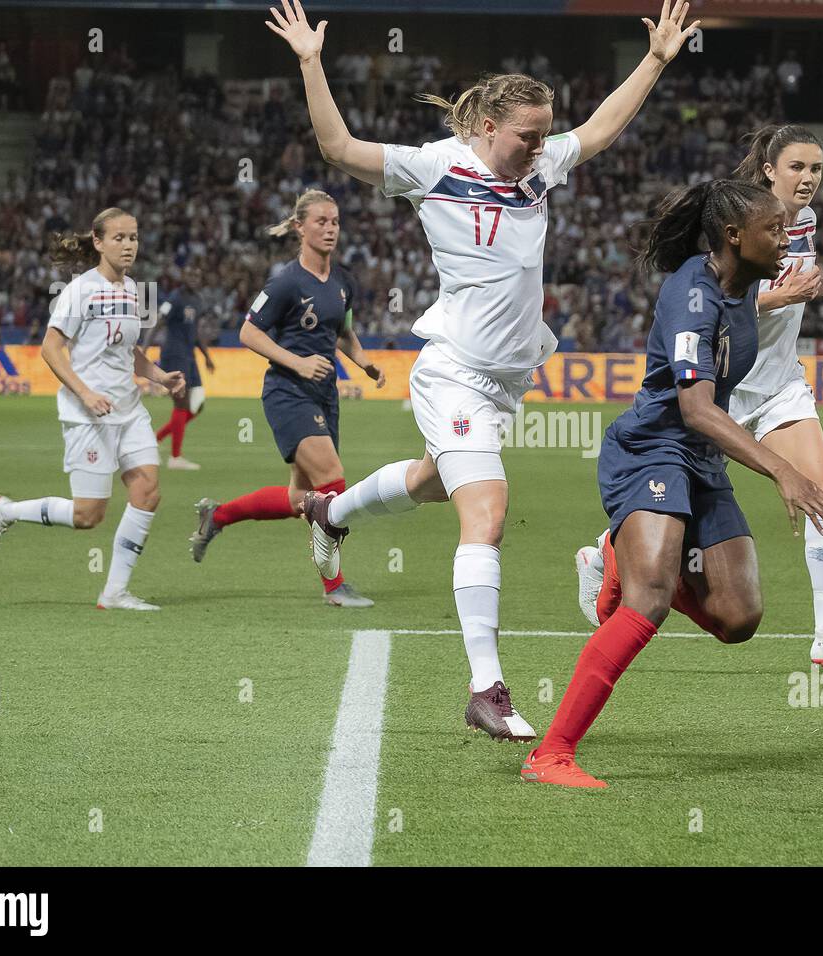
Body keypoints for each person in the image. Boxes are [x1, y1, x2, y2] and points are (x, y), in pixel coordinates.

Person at [287, 0, 701, 741]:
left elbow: (601, 130)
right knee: (487, 512)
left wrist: (657, 59)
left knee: (433, 481)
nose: (541, 147)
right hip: (453, 372)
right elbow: (339, 146)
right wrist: (312, 62)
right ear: (486, 129)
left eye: (546, 134)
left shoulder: (540, 169)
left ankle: (330, 511)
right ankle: (487, 688)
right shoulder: (432, 167)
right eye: (528, 135)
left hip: (506, 380)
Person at [523, 179, 823, 788]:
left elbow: (748, 333)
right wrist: (782, 468)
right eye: (773, 229)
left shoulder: (743, 289)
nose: (784, 238)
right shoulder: (690, 296)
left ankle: (618, 555)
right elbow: (695, 408)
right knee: (648, 601)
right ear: (733, 236)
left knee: (738, 618)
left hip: (703, 460)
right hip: (652, 451)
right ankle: (550, 755)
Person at [575, 124, 823, 668]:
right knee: (679, 501)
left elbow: (797, 283)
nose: (809, 178)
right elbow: (719, 303)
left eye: (816, 168)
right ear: (769, 170)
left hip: (781, 382)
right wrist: (776, 298)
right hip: (724, 384)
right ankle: (607, 549)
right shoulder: (734, 226)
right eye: (797, 168)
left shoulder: (803, 224)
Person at [0, 208, 184, 611]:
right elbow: (51, 348)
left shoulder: (133, 291)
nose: (128, 246)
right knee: (89, 516)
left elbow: (129, 352)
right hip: (88, 414)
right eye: (119, 238)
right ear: (98, 241)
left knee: (147, 492)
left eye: (134, 237)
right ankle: (6, 511)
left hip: (128, 410)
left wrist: (159, 376)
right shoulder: (80, 291)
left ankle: (115, 592)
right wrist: (86, 393)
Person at [190, 189, 380, 608]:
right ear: (299, 227)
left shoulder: (344, 281)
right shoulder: (285, 282)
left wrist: (365, 364)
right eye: (320, 222)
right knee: (333, 483)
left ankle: (217, 516)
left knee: (300, 501)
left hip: (324, 395)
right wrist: (297, 362)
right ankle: (335, 586)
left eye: (334, 222)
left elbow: (343, 333)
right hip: (287, 392)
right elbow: (247, 332)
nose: (330, 229)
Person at [153, 265, 214, 470]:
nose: (195, 278)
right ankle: (175, 458)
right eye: (191, 274)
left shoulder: (197, 300)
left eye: (198, 274)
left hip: (190, 356)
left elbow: (195, 332)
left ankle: (153, 441)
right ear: (184, 276)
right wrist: (144, 347)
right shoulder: (175, 298)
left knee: (198, 404)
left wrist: (206, 356)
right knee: (181, 404)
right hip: (174, 354)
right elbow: (159, 322)